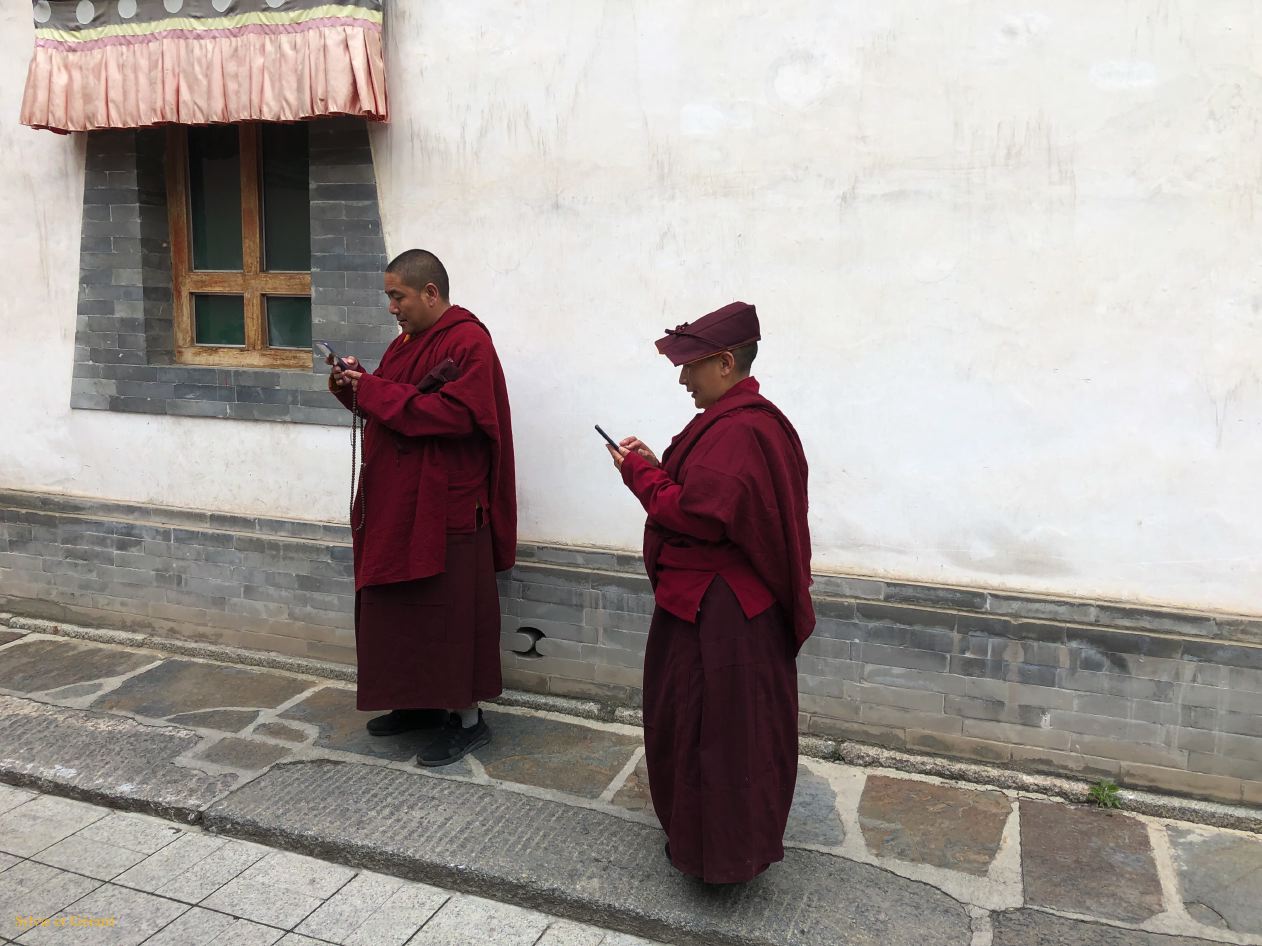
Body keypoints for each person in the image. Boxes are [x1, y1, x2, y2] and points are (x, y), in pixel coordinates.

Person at [607, 301, 814, 883]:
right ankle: (706, 843)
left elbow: (698, 513)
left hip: (722, 611)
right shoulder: (734, 421)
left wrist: (639, 476)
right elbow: (706, 492)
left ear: (725, 362)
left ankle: (721, 855)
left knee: (719, 732)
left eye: (690, 366)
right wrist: (656, 464)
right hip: (707, 602)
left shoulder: (747, 427)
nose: (682, 378)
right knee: (698, 724)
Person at [329, 249, 516, 766]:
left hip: (448, 508)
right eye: (389, 296)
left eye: (398, 296)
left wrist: (376, 389)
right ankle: (417, 704)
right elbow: (394, 403)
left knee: (448, 617)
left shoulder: (468, 341)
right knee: (398, 610)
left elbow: (453, 415)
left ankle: (467, 719)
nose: (391, 307)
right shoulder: (407, 343)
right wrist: (357, 383)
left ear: (429, 293)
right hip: (398, 502)